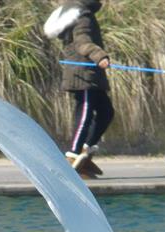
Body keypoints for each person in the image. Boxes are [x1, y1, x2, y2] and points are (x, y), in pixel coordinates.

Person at [46, 0, 113, 178]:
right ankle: (72, 156)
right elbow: (82, 41)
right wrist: (99, 56)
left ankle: (84, 154)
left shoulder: (79, 12)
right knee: (85, 113)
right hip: (83, 72)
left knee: (107, 112)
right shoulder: (81, 14)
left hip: (90, 73)